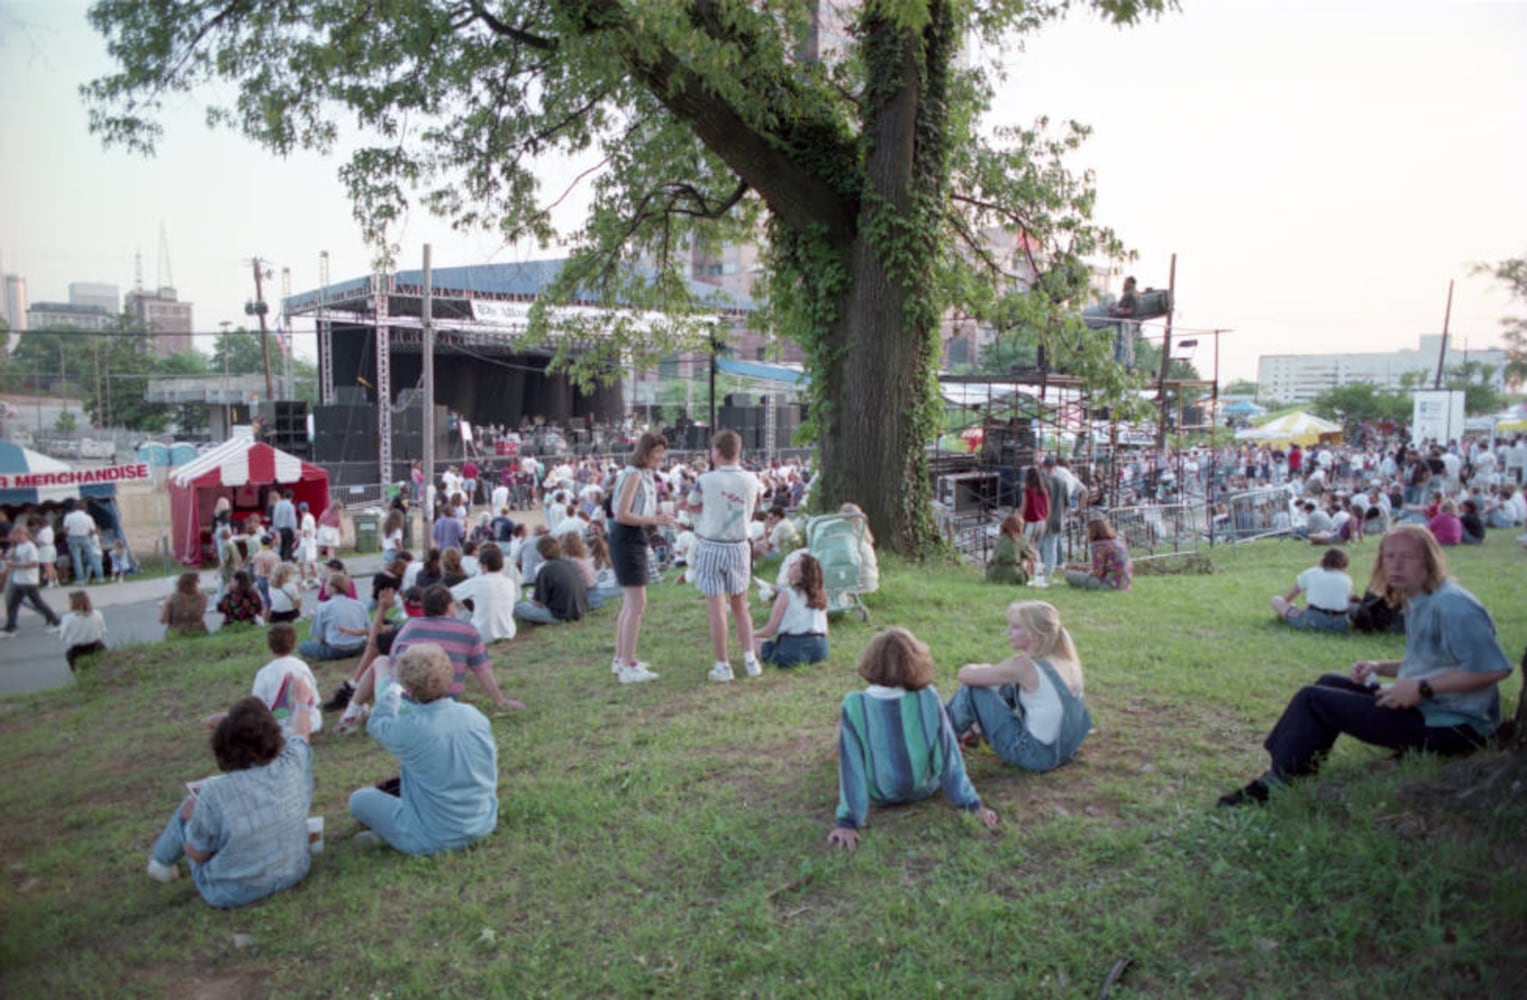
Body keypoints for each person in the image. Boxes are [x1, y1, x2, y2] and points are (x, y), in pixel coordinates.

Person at [1219, 525, 1514, 807]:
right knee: (1328, 683)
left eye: (1407, 557)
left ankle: (1277, 783)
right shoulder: (1421, 598)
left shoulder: (1452, 605)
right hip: (1432, 708)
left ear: (1429, 560)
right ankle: (1293, 769)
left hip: (1455, 726)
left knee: (1312, 700)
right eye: (1389, 556)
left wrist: (1422, 688)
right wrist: (1379, 666)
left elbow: (1494, 669)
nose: (1395, 566)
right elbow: (1435, 661)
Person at [828, 628, 999, 852]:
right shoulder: (928, 696)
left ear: (870, 661)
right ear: (916, 661)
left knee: (847, 749)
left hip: (879, 794)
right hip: (924, 788)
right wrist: (971, 804)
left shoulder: (854, 704)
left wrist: (848, 821)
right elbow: (948, 755)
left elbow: (852, 766)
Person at [146, 695, 313, 907]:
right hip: (294, 870)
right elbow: (302, 733)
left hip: (231, 892)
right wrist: (301, 702)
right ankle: (163, 860)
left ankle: (160, 863)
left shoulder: (214, 793)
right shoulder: (294, 762)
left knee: (188, 808)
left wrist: (191, 819)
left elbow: (197, 855)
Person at [348, 643, 499, 855]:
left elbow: (377, 721)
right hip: (483, 822)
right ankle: (390, 834)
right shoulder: (474, 716)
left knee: (359, 800)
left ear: (407, 684)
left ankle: (391, 835)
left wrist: (393, 688)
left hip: (431, 836)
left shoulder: (408, 729)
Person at [945, 601, 1091, 772]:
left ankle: (938, 740)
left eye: (1015, 627)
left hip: (1034, 756)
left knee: (973, 690)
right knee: (1008, 687)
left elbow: (965, 675)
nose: (1008, 632)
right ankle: (970, 731)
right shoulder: (1067, 661)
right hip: (1064, 751)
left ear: (1035, 634)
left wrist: (982, 667)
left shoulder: (1023, 666)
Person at [687, 430, 764, 683]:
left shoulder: (706, 479)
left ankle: (723, 664)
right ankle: (750, 658)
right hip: (740, 545)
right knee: (741, 605)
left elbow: (693, 504)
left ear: (717, 452)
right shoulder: (752, 479)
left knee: (717, 608)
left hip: (712, 545)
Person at [608, 432, 671, 684]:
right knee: (637, 604)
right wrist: (654, 520)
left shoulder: (640, 474)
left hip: (631, 537)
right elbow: (622, 514)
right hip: (627, 537)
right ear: (646, 452)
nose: (660, 458)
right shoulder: (634, 474)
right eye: (657, 453)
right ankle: (627, 664)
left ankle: (621, 658)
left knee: (631, 604)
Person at [752, 552, 829, 668]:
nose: (791, 565)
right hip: (821, 649)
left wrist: (750, 634)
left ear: (801, 574)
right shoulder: (820, 595)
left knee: (753, 642)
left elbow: (770, 630)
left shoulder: (786, 595)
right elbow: (826, 630)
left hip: (793, 649)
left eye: (796, 564)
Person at [514, 535, 592, 627]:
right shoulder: (570, 563)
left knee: (518, 607)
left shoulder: (545, 570)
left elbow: (539, 603)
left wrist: (531, 602)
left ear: (540, 552)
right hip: (579, 610)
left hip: (559, 615)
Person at [1270, 548, 1353, 633]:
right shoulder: (1347, 579)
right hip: (1340, 624)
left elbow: (1287, 599)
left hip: (1313, 620)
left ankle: (1287, 617)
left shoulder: (1311, 573)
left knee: (1276, 600)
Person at [450, 543, 519, 643]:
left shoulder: (476, 582)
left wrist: (459, 602)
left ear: (484, 566)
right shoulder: (509, 583)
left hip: (480, 634)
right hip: (508, 632)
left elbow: (448, 594)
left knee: (455, 606)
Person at [1, 526, 62, 637]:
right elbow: (12, 558)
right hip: (18, 580)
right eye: (15, 535)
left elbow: (34, 564)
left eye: (19, 535)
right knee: (12, 603)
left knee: (38, 603)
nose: (17, 537)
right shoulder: (18, 546)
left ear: (25, 535)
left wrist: (16, 565)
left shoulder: (30, 547)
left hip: (28, 580)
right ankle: (10, 627)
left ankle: (56, 621)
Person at [299, 571, 369, 659]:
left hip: (336, 649)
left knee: (304, 645)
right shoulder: (360, 605)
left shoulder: (323, 607)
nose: (324, 587)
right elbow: (368, 629)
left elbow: (320, 637)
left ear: (334, 588)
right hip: (360, 647)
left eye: (327, 584)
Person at [1063, 517, 1132, 591]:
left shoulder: (1098, 546)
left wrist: (1083, 571)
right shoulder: (1115, 543)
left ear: (1094, 533)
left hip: (1108, 585)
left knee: (1069, 575)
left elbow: (1098, 573)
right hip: (1125, 584)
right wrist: (1083, 569)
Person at [58, 589, 108, 671]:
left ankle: (77, 674)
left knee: (69, 655)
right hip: (96, 646)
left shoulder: (68, 618)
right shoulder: (97, 614)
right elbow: (103, 630)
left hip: (78, 650)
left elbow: (62, 637)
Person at [985, 512, 1037, 586]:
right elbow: (1033, 556)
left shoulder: (1000, 538)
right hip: (1012, 575)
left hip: (993, 575)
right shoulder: (1020, 539)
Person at [159, 571, 209, 638]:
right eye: (197, 582)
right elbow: (199, 617)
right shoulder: (203, 597)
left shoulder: (171, 598)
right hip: (198, 632)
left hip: (176, 634)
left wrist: (165, 607)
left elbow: (163, 620)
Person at [271, 490, 298, 563]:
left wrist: (275, 529)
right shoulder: (290, 506)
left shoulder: (278, 505)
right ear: (291, 497)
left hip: (280, 529)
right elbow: (292, 519)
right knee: (288, 546)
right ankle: (287, 561)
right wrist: (294, 530)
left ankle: (281, 560)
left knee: (282, 546)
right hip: (288, 528)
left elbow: (275, 517)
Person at [297, 502, 319, 587]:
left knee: (301, 563)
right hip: (312, 542)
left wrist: (299, 534)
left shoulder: (305, 518)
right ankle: (316, 579)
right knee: (312, 562)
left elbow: (305, 533)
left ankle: (304, 582)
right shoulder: (311, 516)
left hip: (305, 543)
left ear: (300, 510)